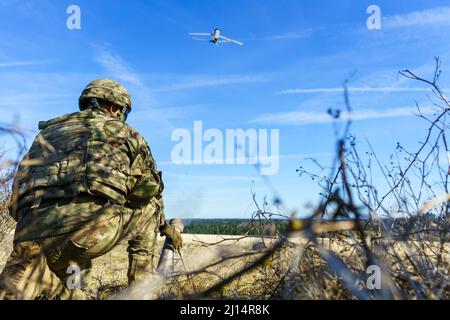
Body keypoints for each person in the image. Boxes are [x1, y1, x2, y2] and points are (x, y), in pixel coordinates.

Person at [0, 79, 182, 299]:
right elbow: (148, 189)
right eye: (123, 112)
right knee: (148, 207)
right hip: (85, 236)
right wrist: (165, 226)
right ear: (115, 107)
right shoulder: (127, 133)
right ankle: (141, 291)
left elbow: (17, 192)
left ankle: (62, 287)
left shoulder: (44, 135)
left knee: (75, 249)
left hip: (30, 234)